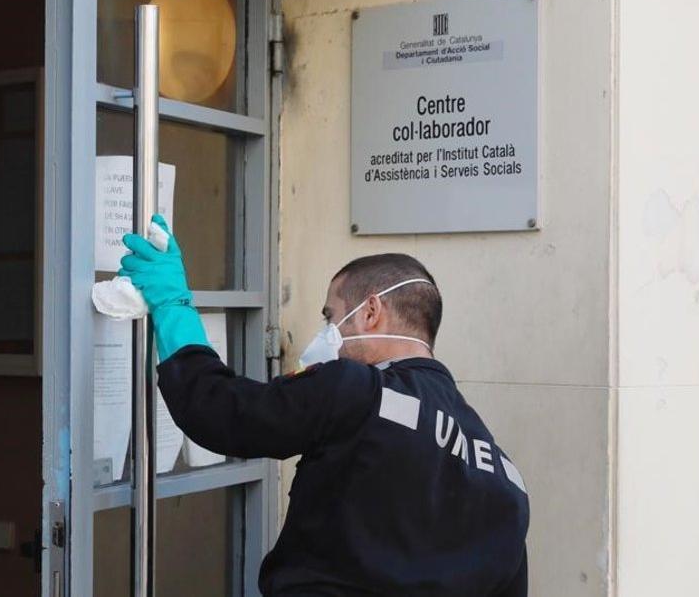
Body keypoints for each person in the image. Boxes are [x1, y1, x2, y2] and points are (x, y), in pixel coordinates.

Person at [118, 215, 530, 596]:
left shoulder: (358, 391)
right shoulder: (504, 477)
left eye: (330, 315)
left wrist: (173, 308)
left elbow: (220, 412)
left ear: (370, 311)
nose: (326, 331)